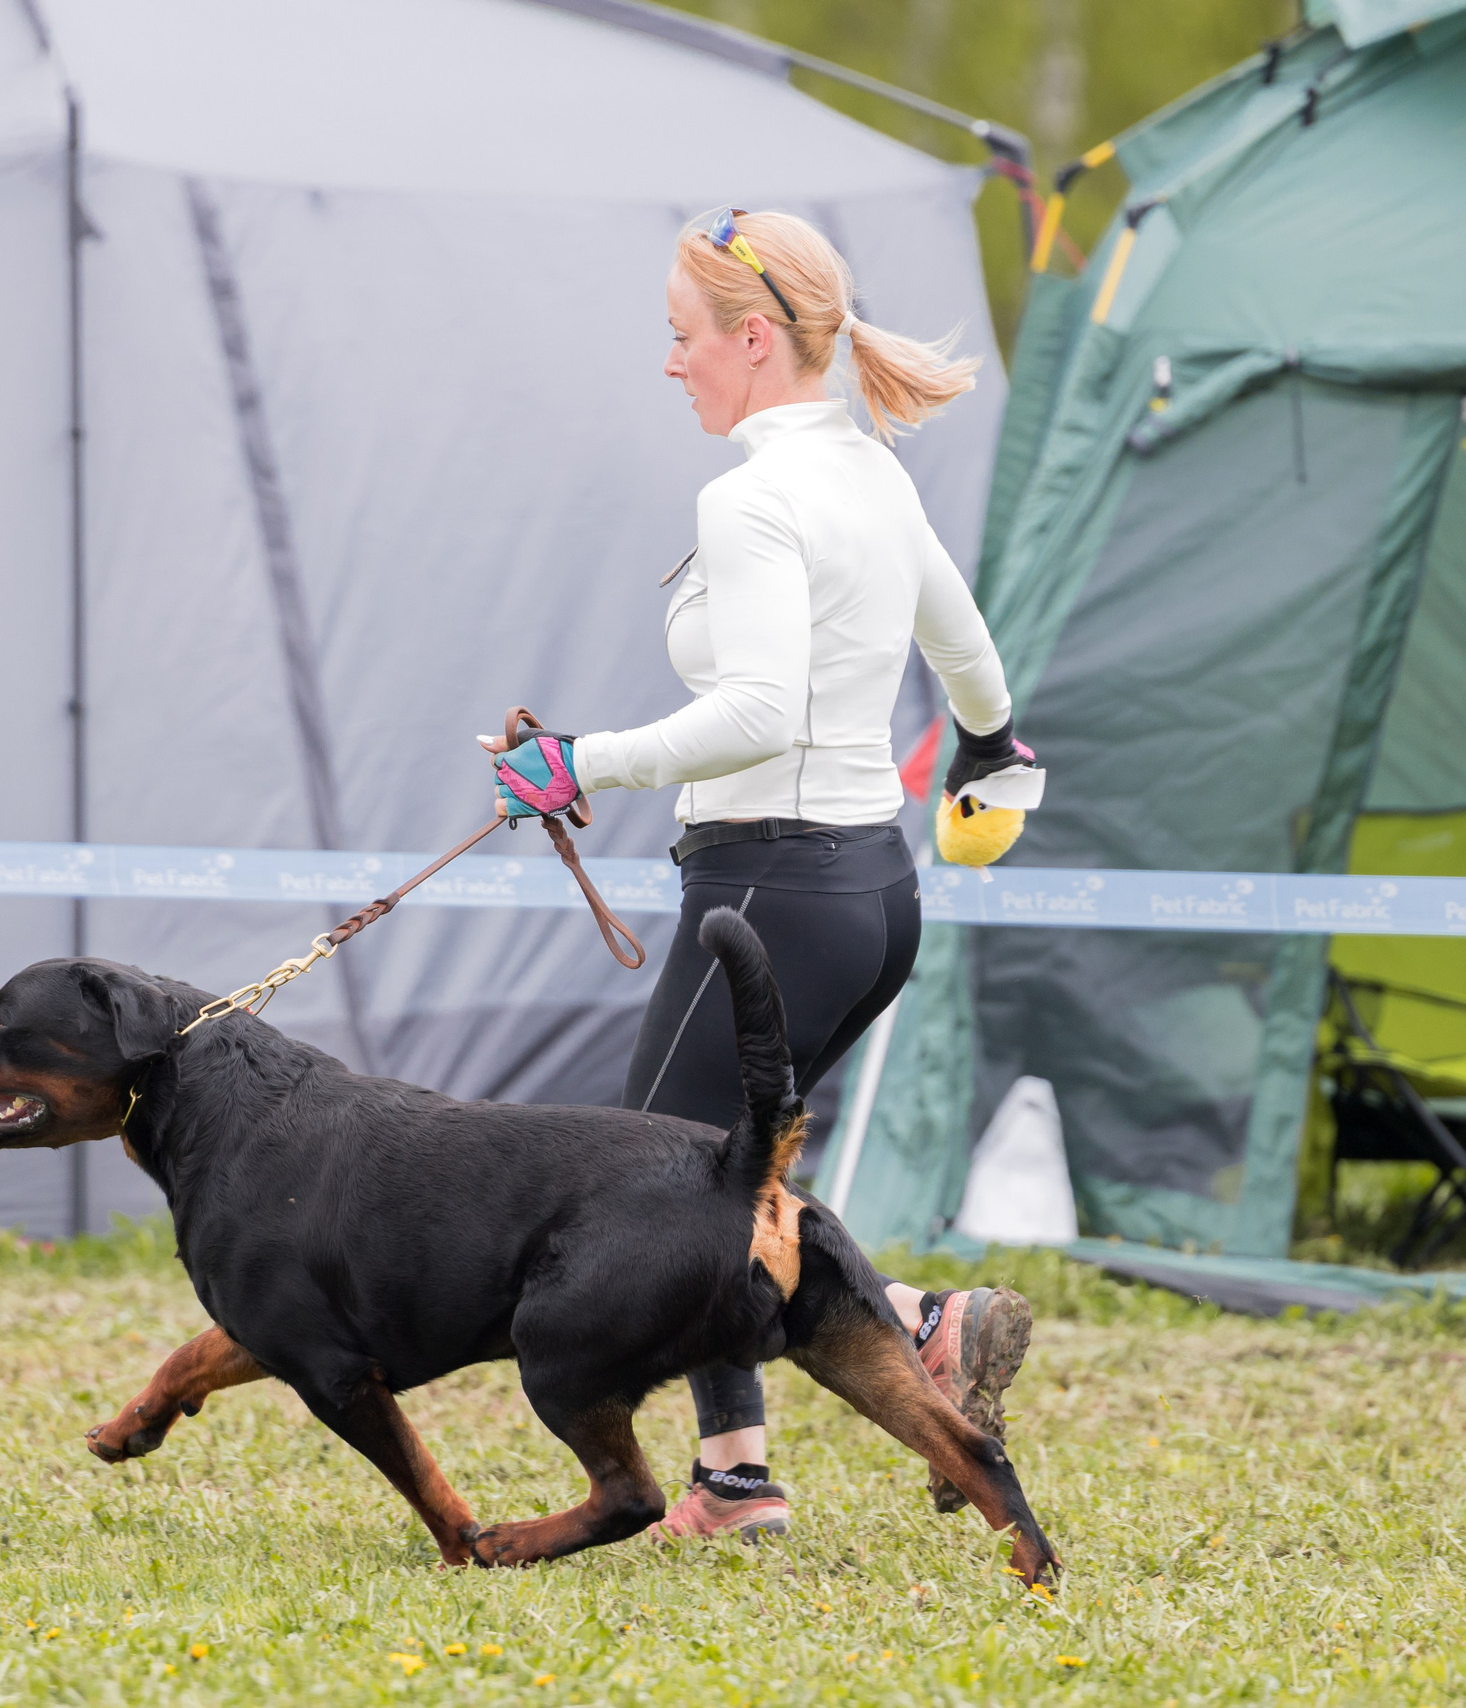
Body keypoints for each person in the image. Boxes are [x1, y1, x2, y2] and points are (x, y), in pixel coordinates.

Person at [483, 208, 1036, 1541]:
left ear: (749, 337)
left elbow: (760, 715)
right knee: (717, 1177)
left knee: (671, 1188)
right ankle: (734, 1478)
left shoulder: (749, 497)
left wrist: (578, 764)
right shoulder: (866, 471)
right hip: (869, 898)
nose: (670, 364)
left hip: (777, 891)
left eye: (682, 338)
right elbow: (969, 659)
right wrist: (989, 759)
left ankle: (918, 1324)